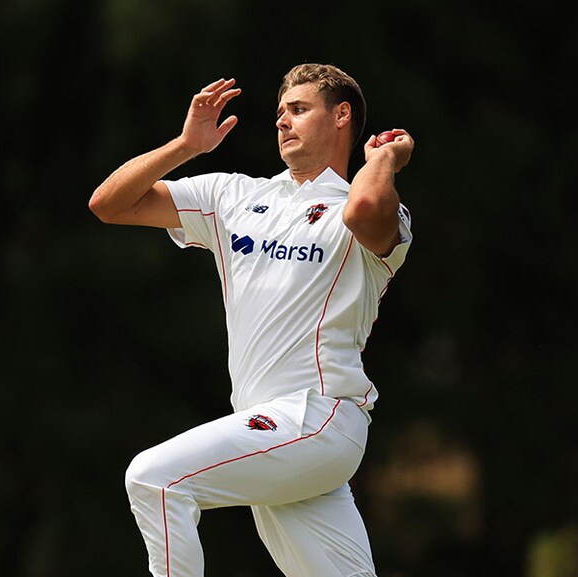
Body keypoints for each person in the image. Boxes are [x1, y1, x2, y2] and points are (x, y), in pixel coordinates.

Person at [89, 63, 415, 577]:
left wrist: (386, 158)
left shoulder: (364, 208)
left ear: (342, 116)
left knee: (155, 479)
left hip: (318, 418)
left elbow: (366, 204)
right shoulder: (234, 196)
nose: (283, 122)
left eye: (300, 109)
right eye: (280, 113)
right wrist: (185, 147)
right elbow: (109, 204)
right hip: (271, 437)